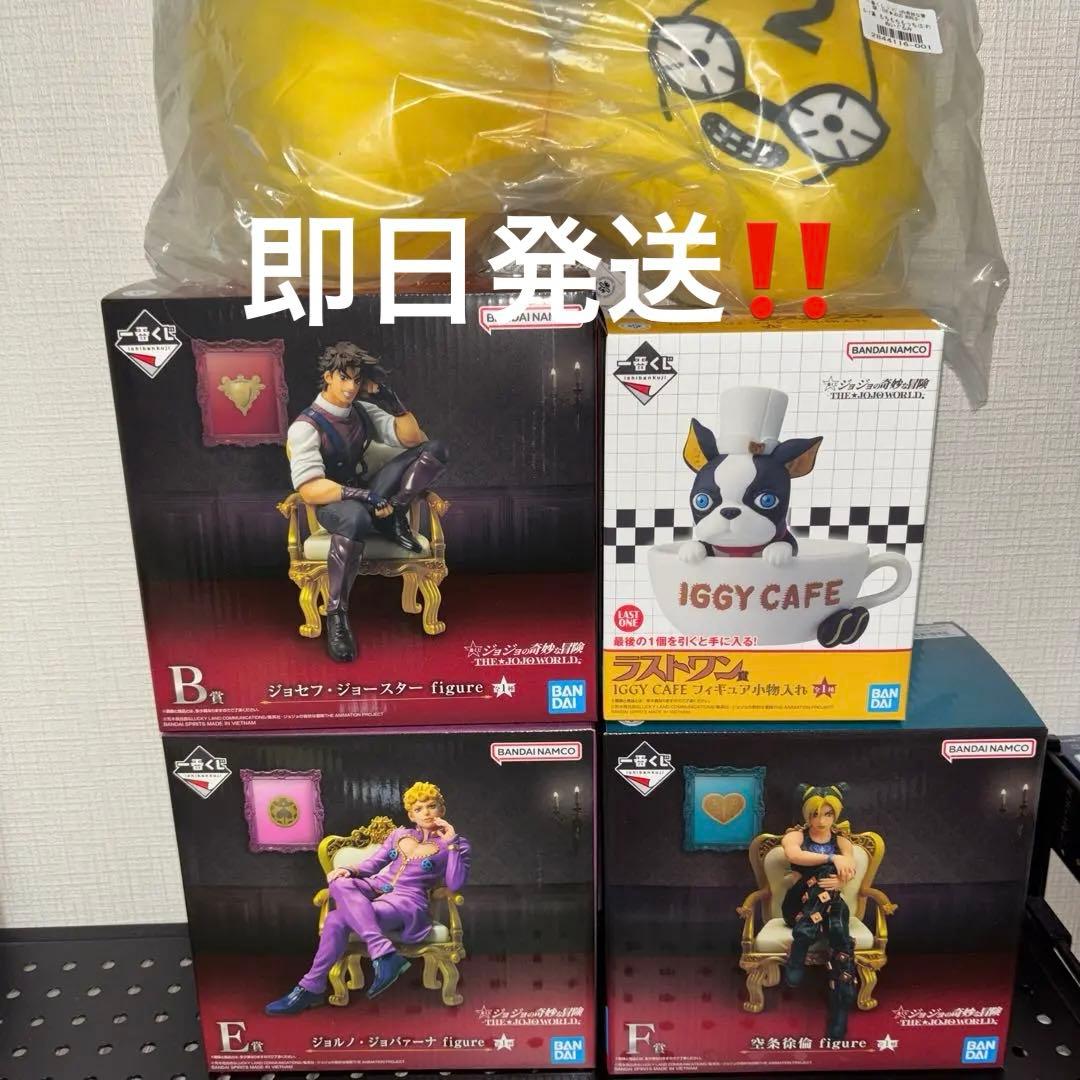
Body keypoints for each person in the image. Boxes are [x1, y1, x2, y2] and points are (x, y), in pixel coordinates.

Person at [287, 342, 449, 662]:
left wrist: (392, 401)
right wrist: (365, 496)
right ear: (328, 377)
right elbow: (310, 490)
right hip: (334, 503)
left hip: (370, 493)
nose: (351, 387)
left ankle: (395, 513)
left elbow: (414, 439)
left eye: (357, 380)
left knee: (436, 449)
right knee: (356, 518)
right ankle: (337, 617)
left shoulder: (362, 410)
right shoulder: (306, 426)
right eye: (344, 378)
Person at [265, 781, 470, 1015]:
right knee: (338, 882)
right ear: (411, 815)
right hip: (375, 887)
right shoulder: (399, 835)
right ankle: (383, 952)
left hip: (407, 902)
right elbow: (373, 865)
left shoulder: (455, 845)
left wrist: (452, 844)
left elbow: (455, 883)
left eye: (432, 806)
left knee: (336, 919)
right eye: (419, 808)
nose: (426, 812)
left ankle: (310, 988)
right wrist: (348, 870)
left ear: (441, 809)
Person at [780, 783, 859, 1039]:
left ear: (836, 814)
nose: (821, 820)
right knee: (824, 873)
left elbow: (849, 870)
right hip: (797, 906)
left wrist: (841, 882)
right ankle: (802, 936)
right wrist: (832, 859)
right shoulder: (796, 836)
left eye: (828, 814)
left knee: (837, 927)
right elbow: (795, 855)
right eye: (815, 814)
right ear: (806, 814)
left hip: (830, 904)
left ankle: (839, 1007)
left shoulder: (842, 839)